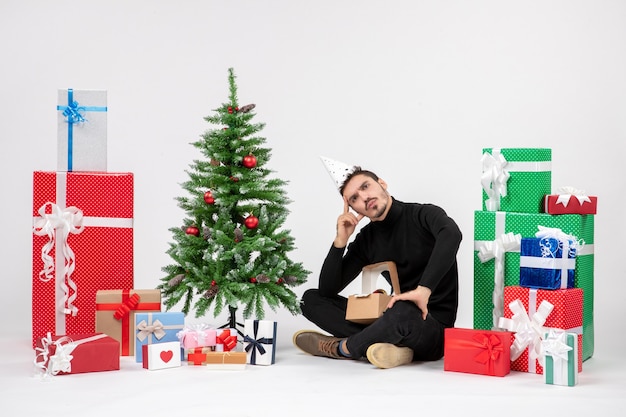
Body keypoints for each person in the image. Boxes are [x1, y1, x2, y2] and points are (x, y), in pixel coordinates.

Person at [293, 157, 462, 369]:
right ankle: (391, 346)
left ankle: (344, 348)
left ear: (382, 183)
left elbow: (452, 234)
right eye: (354, 198)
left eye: (366, 186)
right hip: (391, 316)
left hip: (432, 327)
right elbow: (327, 290)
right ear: (352, 207)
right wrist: (340, 241)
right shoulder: (367, 239)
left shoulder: (423, 214)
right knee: (310, 299)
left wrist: (423, 291)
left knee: (402, 310)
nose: (364, 197)